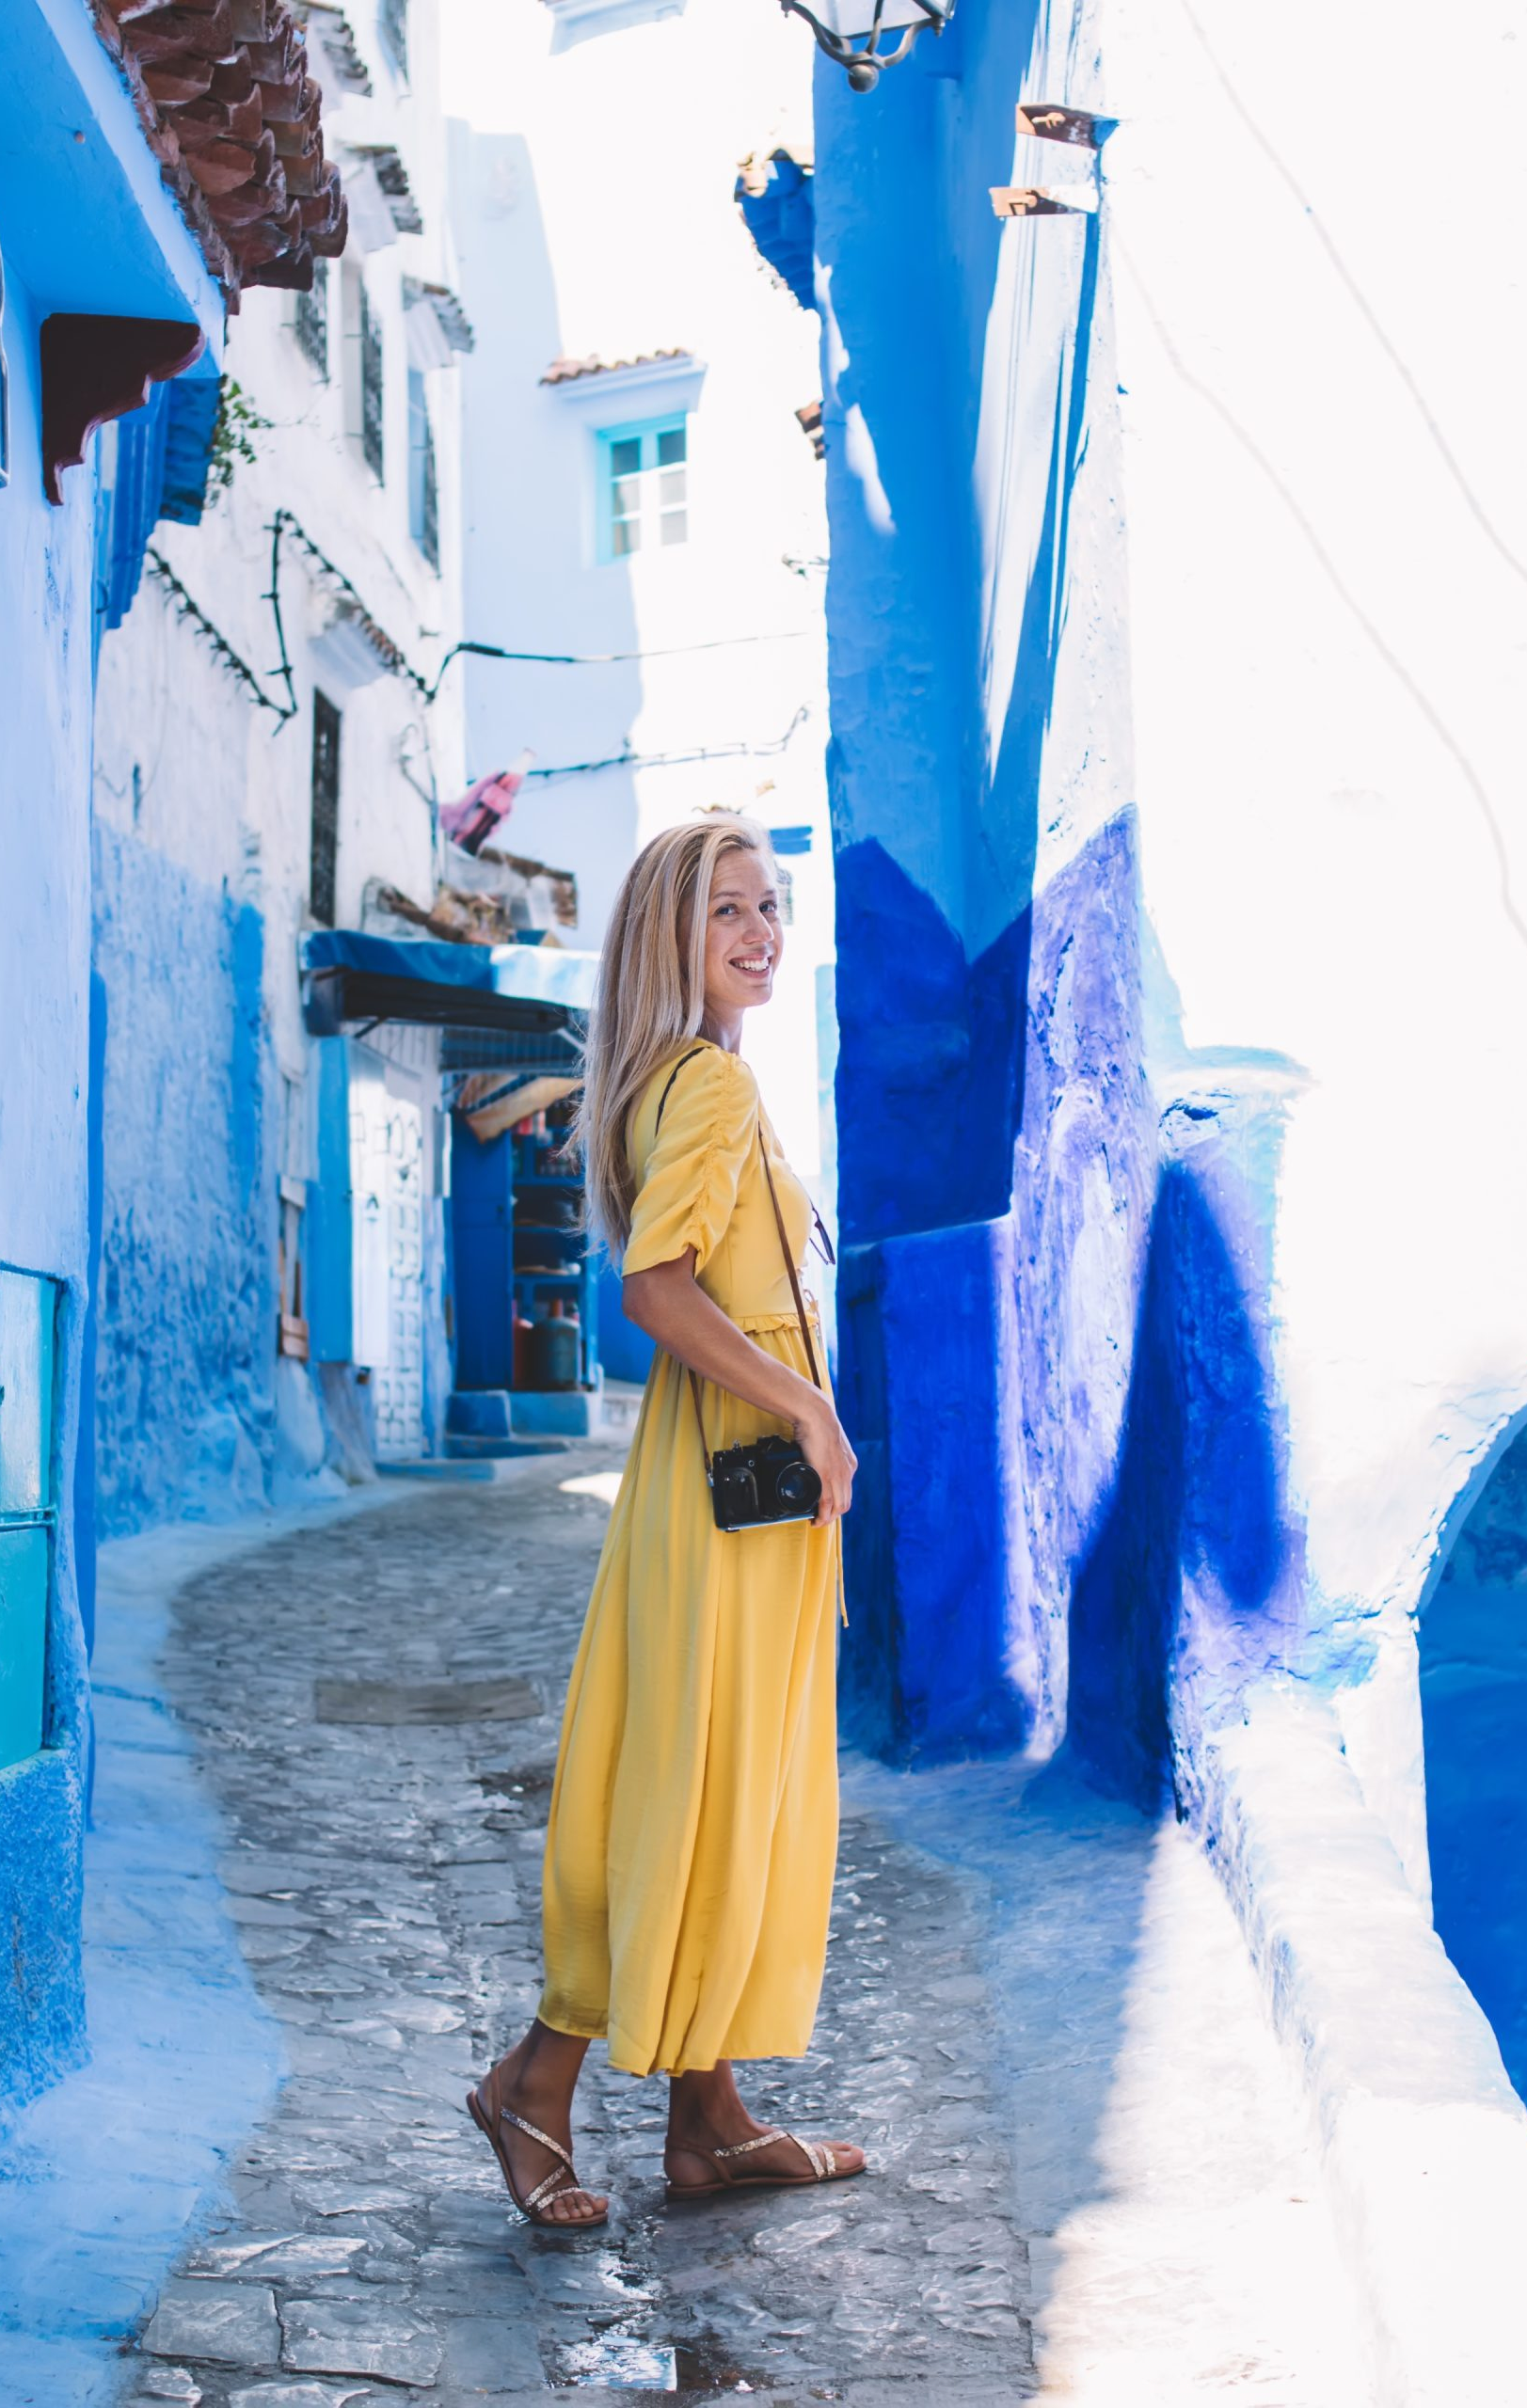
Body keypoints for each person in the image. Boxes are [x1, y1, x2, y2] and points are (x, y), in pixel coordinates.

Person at [467, 813, 864, 2226]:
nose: (761, 934)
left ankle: (708, 2120)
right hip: (732, 1490)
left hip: (711, 1492)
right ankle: (536, 2084)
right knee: (698, 1779)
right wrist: (808, 1413)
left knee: (707, 1776)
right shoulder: (705, 1089)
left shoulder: (670, 1083)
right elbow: (657, 1287)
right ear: (669, 938)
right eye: (728, 913)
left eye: (771, 908)